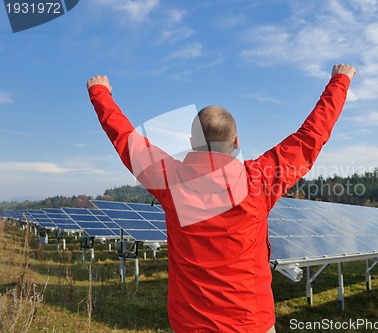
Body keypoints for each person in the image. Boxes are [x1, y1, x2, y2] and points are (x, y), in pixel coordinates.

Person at [87, 63, 356, 333]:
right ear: (236, 142)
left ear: (192, 143)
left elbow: (125, 138)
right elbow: (310, 137)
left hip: (190, 326)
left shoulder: (170, 181)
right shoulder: (259, 180)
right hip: (251, 324)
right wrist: (339, 81)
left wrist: (100, 92)